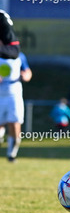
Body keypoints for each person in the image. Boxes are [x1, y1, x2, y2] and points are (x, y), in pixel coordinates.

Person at [0, 10, 32, 162]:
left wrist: (26, 76)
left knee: (14, 123)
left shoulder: (18, 55)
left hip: (13, 90)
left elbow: (27, 71)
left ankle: (11, 154)